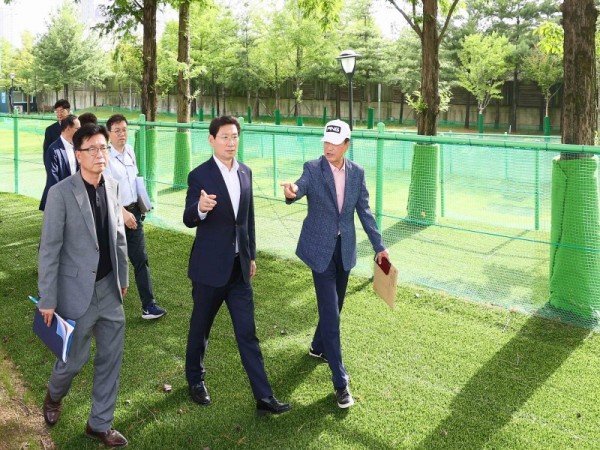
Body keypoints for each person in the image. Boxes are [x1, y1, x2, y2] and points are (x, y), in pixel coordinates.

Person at [183, 115, 291, 415]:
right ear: (211, 140)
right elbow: (188, 217)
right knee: (200, 328)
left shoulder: (246, 172)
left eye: (235, 137)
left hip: (239, 269)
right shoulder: (199, 175)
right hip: (208, 269)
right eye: (225, 137)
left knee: (248, 333)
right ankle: (195, 379)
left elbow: (247, 219)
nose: (231, 143)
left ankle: (264, 397)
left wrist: (251, 254)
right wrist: (200, 209)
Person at [280, 119, 390, 409]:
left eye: (334, 142)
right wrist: (291, 191)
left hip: (345, 251)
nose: (328, 147)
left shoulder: (357, 174)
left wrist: (379, 247)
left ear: (346, 145)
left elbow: (364, 212)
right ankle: (340, 383)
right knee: (331, 315)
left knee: (335, 309)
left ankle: (318, 347)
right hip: (319, 251)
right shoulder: (312, 168)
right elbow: (299, 188)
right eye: (325, 142)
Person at [38, 123, 129, 447]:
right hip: (76, 293)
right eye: (93, 149)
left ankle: (99, 424)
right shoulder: (60, 193)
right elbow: (49, 249)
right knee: (73, 360)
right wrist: (47, 299)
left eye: (104, 148)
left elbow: (118, 237)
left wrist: (123, 278)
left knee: (111, 358)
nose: (100, 154)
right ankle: (53, 396)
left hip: (109, 289)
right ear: (78, 155)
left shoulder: (114, 186)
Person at [104, 114, 166, 320]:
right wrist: (123, 213)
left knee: (140, 259)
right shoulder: (105, 156)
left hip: (134, 213)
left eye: (124, 129)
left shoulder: (130, 151)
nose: (122, 134)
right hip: (114, 215)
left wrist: (141, 205)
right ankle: (103, 308)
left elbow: (134, 183)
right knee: (110, 260)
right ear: (109, 134)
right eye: (117, 130)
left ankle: (149, 306)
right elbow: (104, 190)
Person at [39, 114, 81, 211]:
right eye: (77, 129)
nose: (80, 132)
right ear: (68, 129)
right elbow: (53, 178)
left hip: (76, 196)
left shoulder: (78, 147)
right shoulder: (53, 150)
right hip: (60, 198)